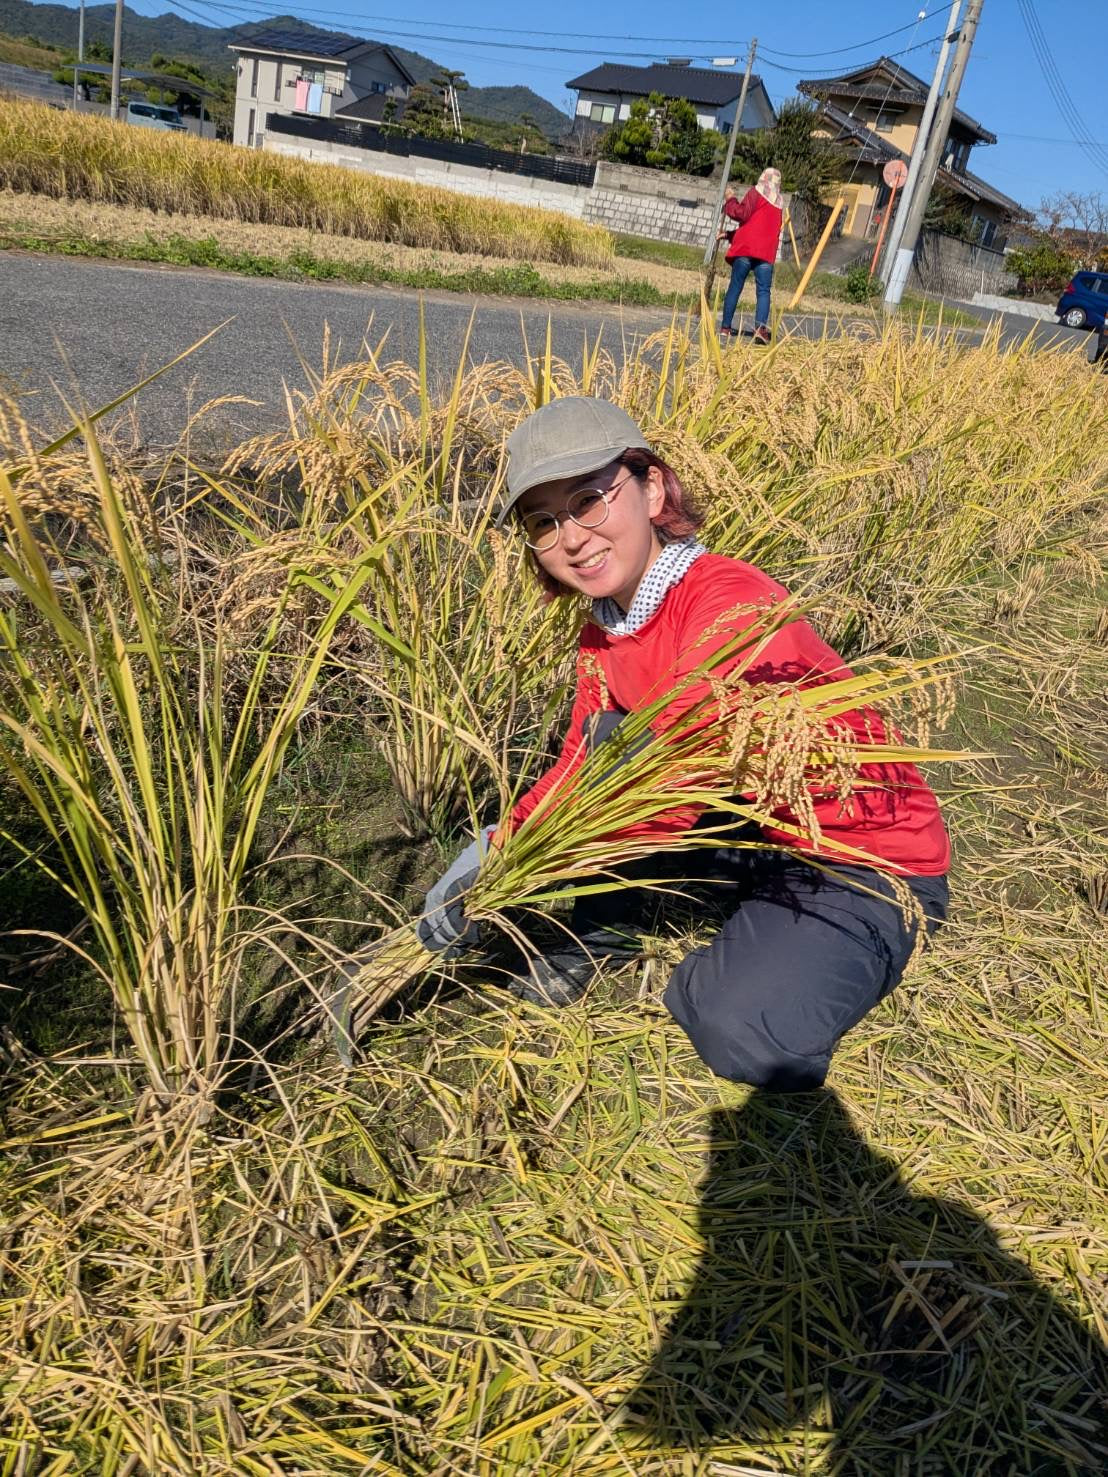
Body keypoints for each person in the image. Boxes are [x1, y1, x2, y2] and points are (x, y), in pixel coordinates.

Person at [418, 397, 950, 1092]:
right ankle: (602, 935)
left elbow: (670, 782)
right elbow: (584, 764)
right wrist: (499, 842)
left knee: (740, 1031)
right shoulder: (604, 630)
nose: (571, 538)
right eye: (543, 522)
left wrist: (524, 862)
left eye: (587, 500)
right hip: (758, 831)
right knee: (610, 748)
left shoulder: (728, 604)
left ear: (652, 488)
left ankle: (765, 962)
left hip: (860, 860)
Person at [717, 167, 784, 346]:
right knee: (763, 291)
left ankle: (725, 328)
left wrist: (730, 199)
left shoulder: (757, 192)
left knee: (735, 286)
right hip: (765, 254)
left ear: (763, 177)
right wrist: (729, 235)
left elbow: (742, 214)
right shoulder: (779, 202)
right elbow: (760, 228)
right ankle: (760, 328)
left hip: (746, 250)